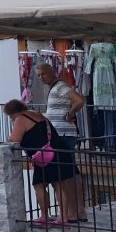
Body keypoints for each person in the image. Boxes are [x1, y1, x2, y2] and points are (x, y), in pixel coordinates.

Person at [5, 98, 77, 226]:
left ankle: (44, 216)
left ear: (13, 112)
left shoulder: (20, 119)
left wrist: (11, 132)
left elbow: (14, 139)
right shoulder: (37, 115)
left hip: (44, 156)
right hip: (58, 151)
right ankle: (64, 218)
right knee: (59, 186)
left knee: (39, 186)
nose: (12, 119)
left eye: (11, 117)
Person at [36, 63, 88, 221]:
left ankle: (72, 213)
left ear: (51, 72)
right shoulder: (55, 88)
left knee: (66, 174)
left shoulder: (60, 86)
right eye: (38, 75)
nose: (41, 78)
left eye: (43, 74)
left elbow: (79, 100)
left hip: (63, 135)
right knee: (72, 171)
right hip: (62, 134)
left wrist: (70, 114)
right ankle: (79, 211)